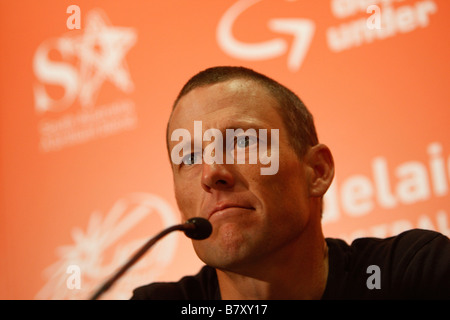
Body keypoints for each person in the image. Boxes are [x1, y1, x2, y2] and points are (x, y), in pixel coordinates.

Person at [131, 66, 450, 300]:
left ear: (317, 170)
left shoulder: (412, 276)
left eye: (242, 141)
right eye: (188, 157)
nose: (211, 172)